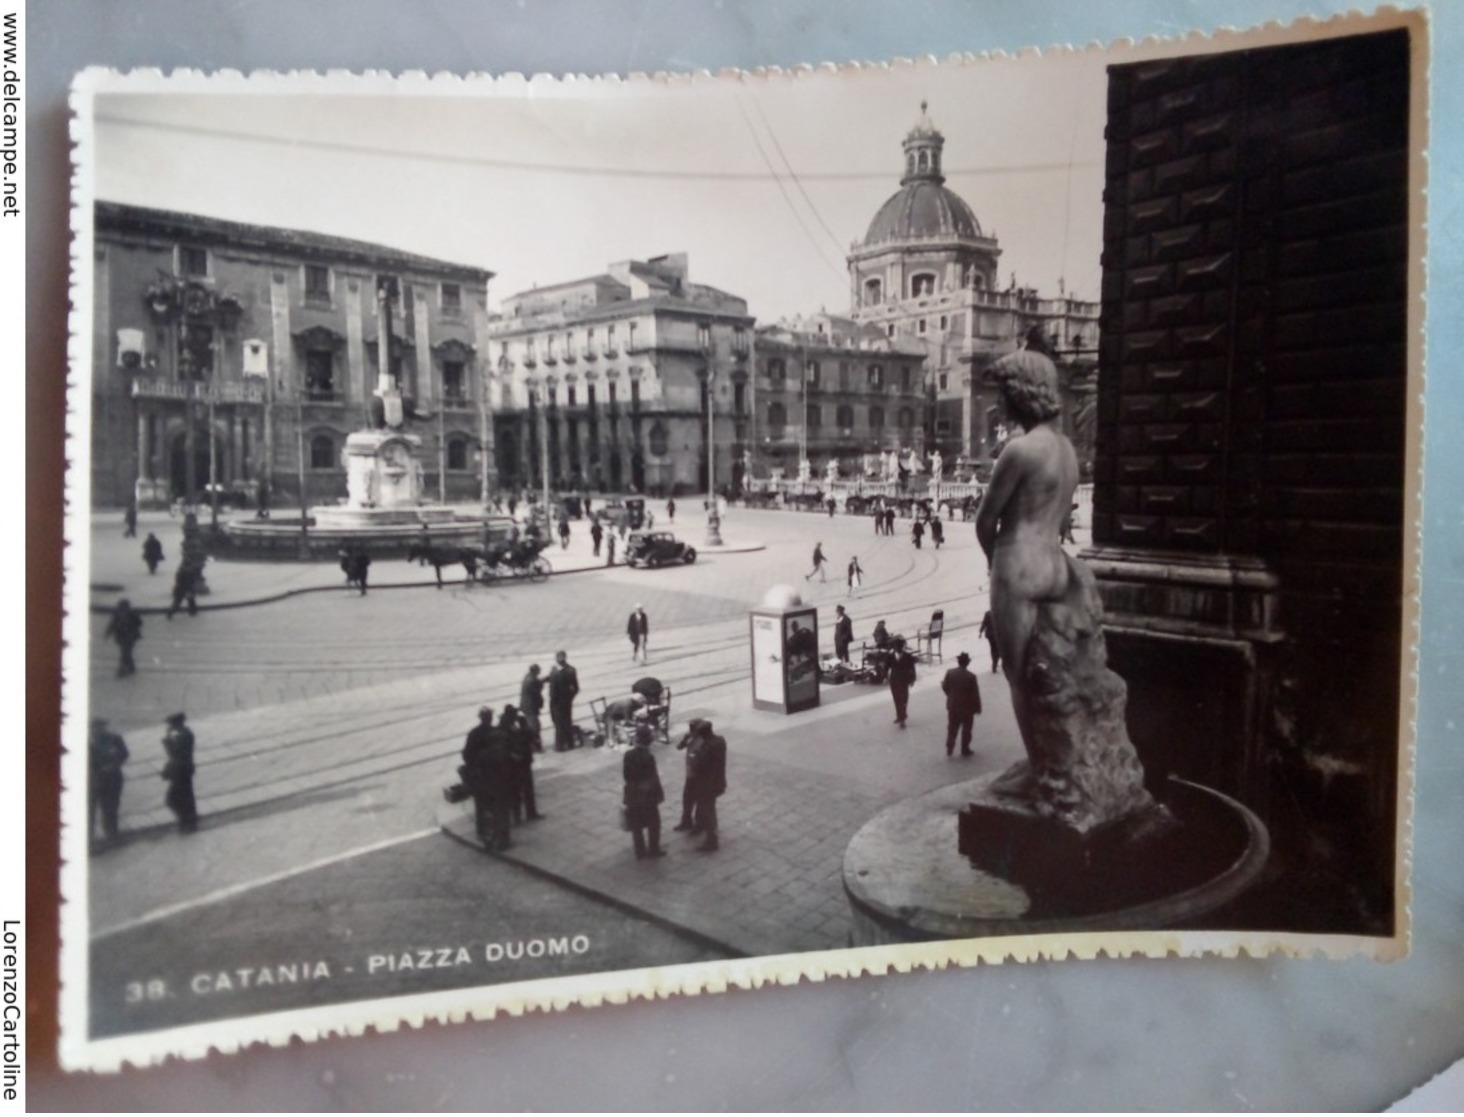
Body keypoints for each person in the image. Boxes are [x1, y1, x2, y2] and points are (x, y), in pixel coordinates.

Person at [977, 342, 1082, 757]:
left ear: (1023, 391)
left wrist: (992, 561)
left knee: (1019, 676)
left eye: (1004, 392)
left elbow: (986, 520)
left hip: (1018, 566)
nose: (1000, 402)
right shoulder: (1067, 449)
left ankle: (1041, 769)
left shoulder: (1019, 450)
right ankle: (1061, 758)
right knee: (1054, 671)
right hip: (1055, 565)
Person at [462, 707, 514, 851]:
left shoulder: (474, 734)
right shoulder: (496, 733)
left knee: (481, 807)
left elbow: (467, 755)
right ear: (490, 718)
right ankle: (499, 837)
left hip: (482, 779)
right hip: (497, 781)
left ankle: (483, 832)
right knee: (498, 810)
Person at [680, 718, 727, 852]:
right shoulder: (720, 741)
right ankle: (702, 828)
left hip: (707, 785)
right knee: (708, 808)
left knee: (708, 811)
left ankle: (711, 841)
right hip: (718, 781)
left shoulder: (706, 748)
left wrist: (694, 756)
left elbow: (697, 765)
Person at [622, 724, 666, 859]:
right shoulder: (648, 757)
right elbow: (653, 778)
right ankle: (654, 849)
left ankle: (639, 851)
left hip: (632, 795)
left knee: (636, 825)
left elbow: (626, 775)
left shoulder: (628, 755)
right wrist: (659, 794)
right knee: (654, 824)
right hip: (647, 797)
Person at [501, 704, 543, 824]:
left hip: (524, 761)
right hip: (513, 765)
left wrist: (524, 727)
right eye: (514, 714)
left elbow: (529, 736)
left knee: (528, 789)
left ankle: (531, 813)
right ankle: (517, 817)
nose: (516, 716)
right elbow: (503, 746)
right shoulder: (503, 728)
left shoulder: (518, 723)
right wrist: (511, 755)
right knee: (515, 792)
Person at [89, 717, 129, 845]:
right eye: (95, 727)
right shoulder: (87, 742)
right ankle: (89, 840)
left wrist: (114, 765)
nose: (98, 729)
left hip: (113, 778)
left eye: (101, 727)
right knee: (90, 810)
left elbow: (124, 754)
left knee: (111, 808)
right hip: (93, 781)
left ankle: (112, 836)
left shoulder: (115, 739)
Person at [161, 711, 198, 834]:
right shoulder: (183, 734)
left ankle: (186, 821)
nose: (169, 727)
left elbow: (175, 754)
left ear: (176, 724)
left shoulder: (184, 736)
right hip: (182, 769)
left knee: (172, 799)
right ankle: (188, 822)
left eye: (171, 724)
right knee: (185, 796)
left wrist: (167, 741)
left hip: (182, 770)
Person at [941, 652, 983, 757]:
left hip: (953, 706)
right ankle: (965, 749)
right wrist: (977, 708)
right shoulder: (971, 676)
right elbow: (975, 694)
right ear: (967, 663)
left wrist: (950, 696)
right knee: (967, 729)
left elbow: (945, 686)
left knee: (952, 727)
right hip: (967, 707)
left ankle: (949, 748)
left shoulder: (950, 673)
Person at [547, 650, 580, 751]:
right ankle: (570, 743)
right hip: (566, 701)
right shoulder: (571, 670)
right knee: (567, 721)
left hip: (556, 702)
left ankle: (560, 746)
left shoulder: (554, 672)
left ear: (557, 659)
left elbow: (552, 689)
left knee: (558, 724)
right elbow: (576, 688)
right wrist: (570, 698)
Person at [104, 598, 143, 678]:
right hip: (122, 636)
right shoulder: (117, 614)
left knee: (125, 653)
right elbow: (112, 624)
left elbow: (139, 623)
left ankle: (122, 670)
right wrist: (108, 633)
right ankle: (131, 667)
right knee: (126, 653)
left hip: (130, 637)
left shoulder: (132, 613)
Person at [887, 636, 918, 729]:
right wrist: (886, 677)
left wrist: (913, 679)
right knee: (897, 699)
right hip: (894, 681)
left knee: (904, 698)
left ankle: (902, 715)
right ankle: (901, 718)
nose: (898, 649)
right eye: (897, 647)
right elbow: (886, 667)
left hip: (904, 680)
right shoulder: (890, 656)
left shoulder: (908, 656)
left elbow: (912, 669)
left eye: (900, 647)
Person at [519, 663, 545, 751]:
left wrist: (540, 681)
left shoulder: (528, 677)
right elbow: (536, 691)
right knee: (535, 726)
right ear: (536, 671)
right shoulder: (532, 680)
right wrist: (541, 684)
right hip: (530, 707)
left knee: (531, 725)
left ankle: (532, 745)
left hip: (526, 706)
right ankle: (535, 746)